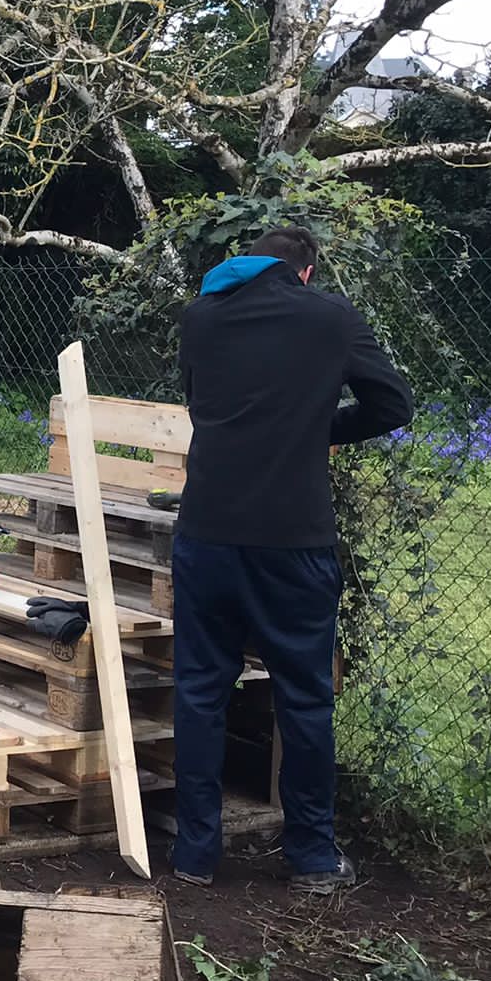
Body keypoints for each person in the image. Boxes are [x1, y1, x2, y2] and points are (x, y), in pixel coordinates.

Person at [172, 227, 412, 894]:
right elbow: (393, 403)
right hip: (292, 541)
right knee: (303, 697)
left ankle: (195, 854)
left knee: (199, 690)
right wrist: (316, 428)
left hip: (208, 532)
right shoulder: (330, 316)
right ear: (306, 272)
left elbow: (200, 405)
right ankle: (311, 858)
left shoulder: (200, 316)